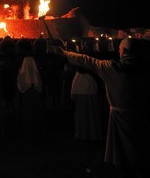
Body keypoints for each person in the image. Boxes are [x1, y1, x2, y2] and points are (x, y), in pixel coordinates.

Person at [53, 38, 150, 178]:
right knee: (141, 152)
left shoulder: (111, 68)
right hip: (142, 117)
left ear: (123, 51)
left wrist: (65, 53)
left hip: (120, 119)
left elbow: (87, 60)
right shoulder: (146, 68)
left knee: (124, 156)